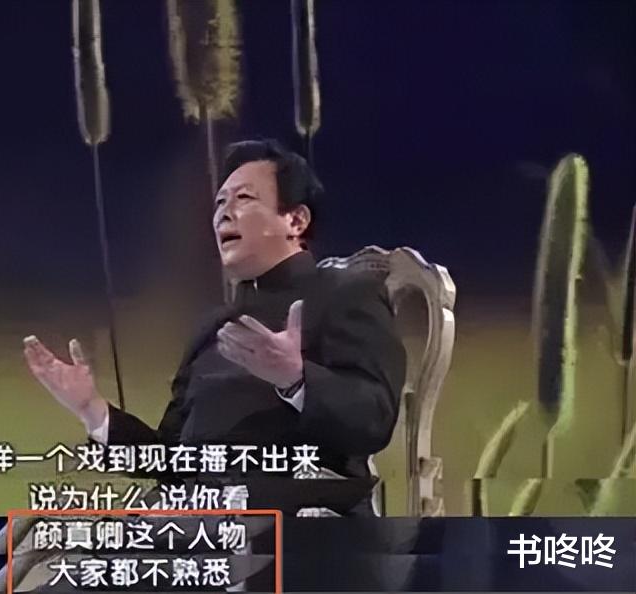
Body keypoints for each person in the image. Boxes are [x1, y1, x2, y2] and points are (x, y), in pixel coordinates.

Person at [23, 138, 406, 517]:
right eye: (220, 202)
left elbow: (374, 419)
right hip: (193, 519)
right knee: (30, 538)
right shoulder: (212, 328)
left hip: (290, 524)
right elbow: (170, 460)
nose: (224, 213)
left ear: (295, 220)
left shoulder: (347, 293)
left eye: (244, 198)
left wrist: (296, 378)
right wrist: (92, 409)